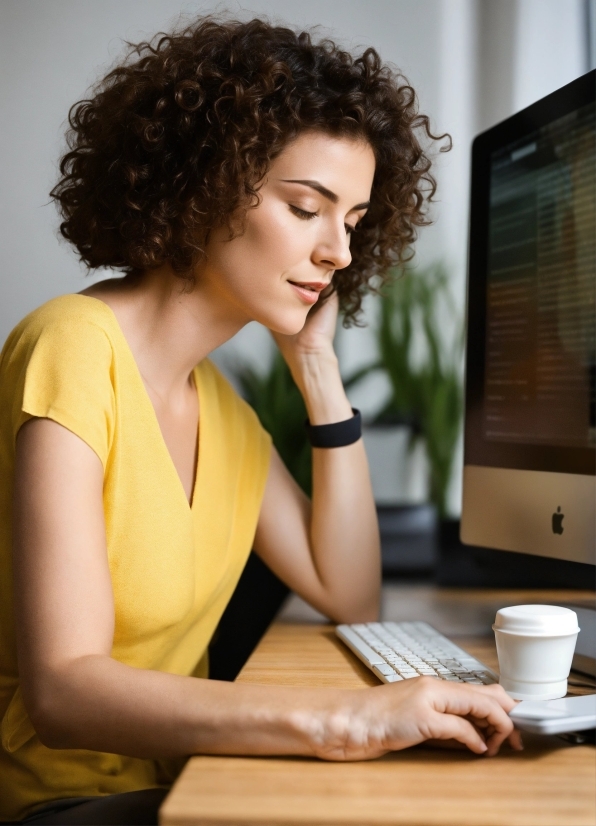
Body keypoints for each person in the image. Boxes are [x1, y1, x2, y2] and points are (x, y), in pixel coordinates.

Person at [0, 16, 522, 826]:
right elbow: (64, 690)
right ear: (205, 179)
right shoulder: (72, 348)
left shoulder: (221, 409)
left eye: (351, 221)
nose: (340, 253)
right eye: (308, 207)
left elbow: (349, 594)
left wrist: (318, 373)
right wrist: (339, 723)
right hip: (63, 804)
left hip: (187, 785)